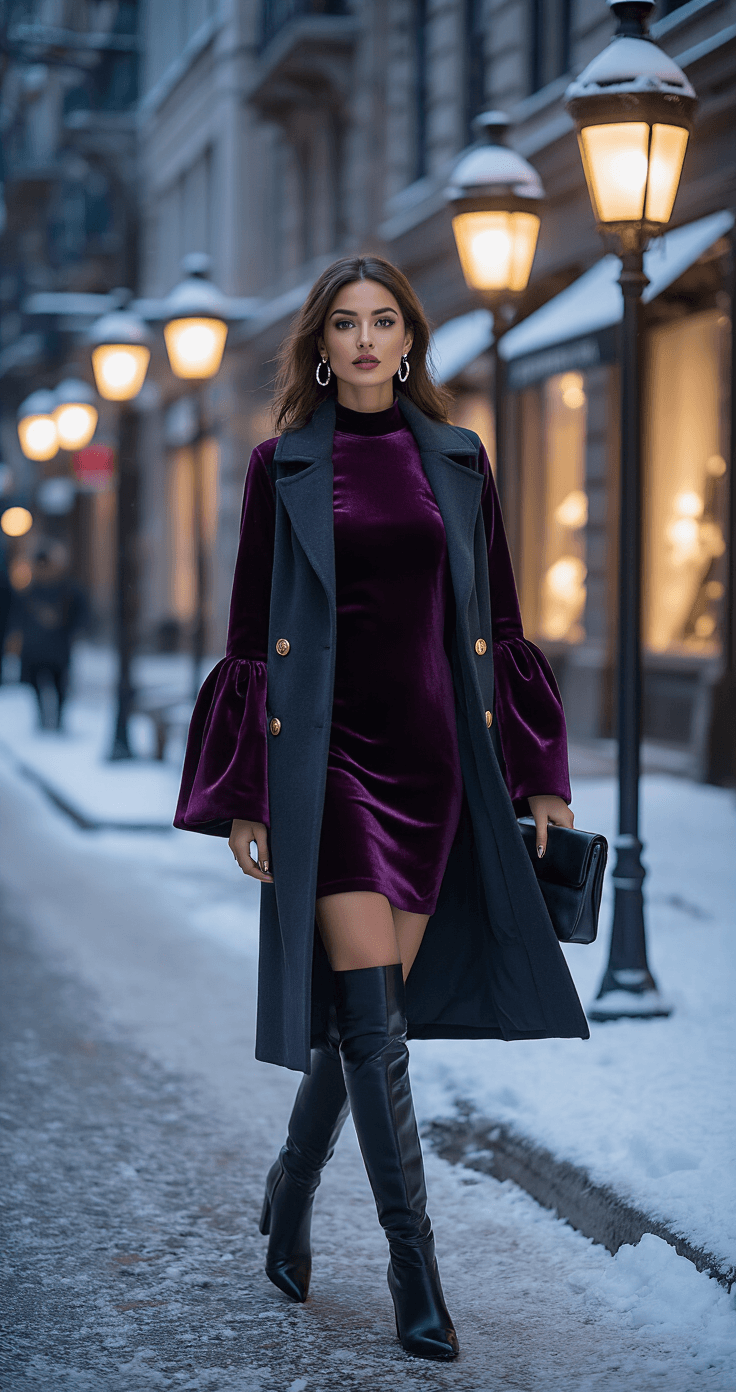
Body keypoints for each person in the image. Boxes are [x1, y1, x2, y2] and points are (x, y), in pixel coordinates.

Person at [175, 255, 589, 1361]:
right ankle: (419, 1277)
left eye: (384, 322)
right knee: (376, 1031)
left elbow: (496, 616)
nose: (365, 340)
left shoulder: (458, 459)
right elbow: (248, 637)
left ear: (409, 341)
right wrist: (246, 796)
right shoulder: (282, 465)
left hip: (436, 765)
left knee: (369, 1024)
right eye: (346, 324)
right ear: (321, 343)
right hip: (326, 770)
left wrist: (537, 769)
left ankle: (291, 1184)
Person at [11, 545, 86, 730]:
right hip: (35, 649)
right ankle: (43, 718)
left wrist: (74, 632)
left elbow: (80, 615)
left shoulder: (68, 590)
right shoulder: (30, 591)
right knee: (36, 686)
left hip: (58, 648)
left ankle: (58, 719)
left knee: (59, 686)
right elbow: (19, 617)